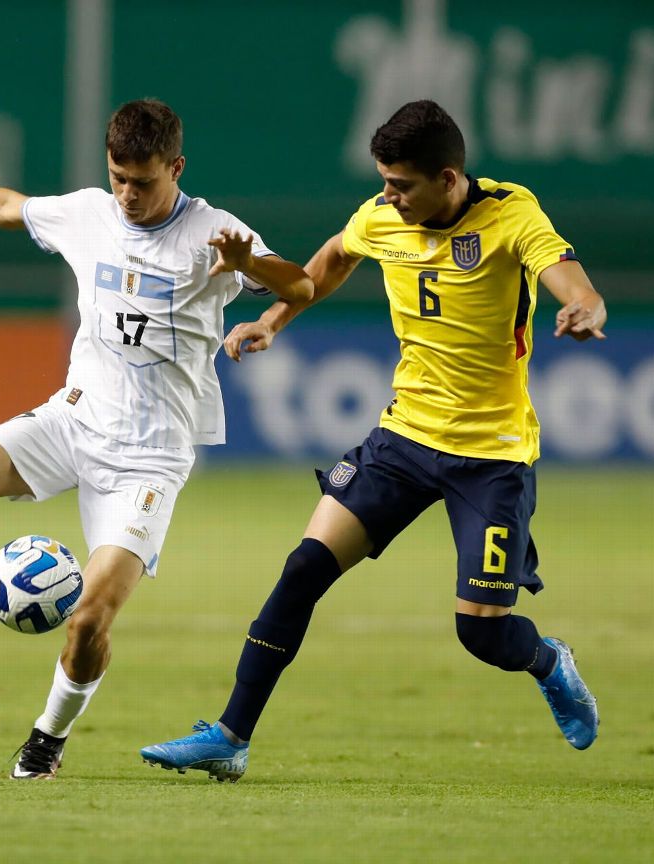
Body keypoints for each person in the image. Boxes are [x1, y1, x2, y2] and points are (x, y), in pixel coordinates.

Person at [0, 99, 313, 780]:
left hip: (149, 458)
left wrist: (254, 269)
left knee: (88, 621)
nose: (128, 194)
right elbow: (3, 206)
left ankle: (47, 737)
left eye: (143, 182)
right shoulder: (91, 212)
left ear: (175, 168)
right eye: (118, 177)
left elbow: (302, 283)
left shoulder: (217, 232)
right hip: (73, 419)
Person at [140, 100, 606, 782]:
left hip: (492, 458)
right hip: (402, 440)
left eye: (402, 185)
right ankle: (231, 735)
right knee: (302, 571)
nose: (388, 197)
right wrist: (274, 319)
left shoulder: (511, 215)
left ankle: (547, 660)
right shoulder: (382, 216)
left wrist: (584, 306)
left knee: (481, 632)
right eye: (384, 182)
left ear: (449, 179)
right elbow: (329, 261)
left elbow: (566, 274)